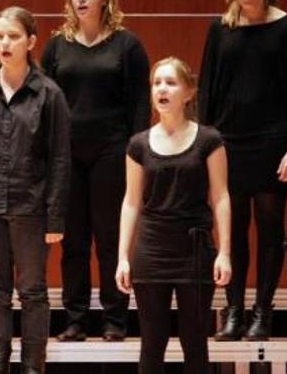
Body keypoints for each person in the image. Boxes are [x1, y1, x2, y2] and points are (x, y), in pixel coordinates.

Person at [198, 0, 287, 341]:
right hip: (227, 143)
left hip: (271, 143)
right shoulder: (220, 29)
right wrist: (203, 147)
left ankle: (263, 311)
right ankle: (233, 310)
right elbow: (208, 94)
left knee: (269, 230)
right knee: (231, 229)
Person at [0, 7, 70, 374]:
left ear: (31, 42)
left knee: (33, 292)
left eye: (13, 36)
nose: (5, 43)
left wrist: (55, 216)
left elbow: (59, 161)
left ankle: (34, 366)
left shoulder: (49, 94)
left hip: (32, 208)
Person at [42, 0, 150, 342]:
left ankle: (115, 318)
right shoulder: (57, 46)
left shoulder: (127, 44)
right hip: (67, 152)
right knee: (72, 239)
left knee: (109, 238)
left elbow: (139, 103)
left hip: (113, 150)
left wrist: (137, 154)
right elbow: (45, 102)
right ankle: (74, 317)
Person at [116, 57, 231, 374]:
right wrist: (123, 257)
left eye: (170, 83)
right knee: (152, 342)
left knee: (195, 341)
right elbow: (131, 202)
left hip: (194, 250)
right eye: (156, 83)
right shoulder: (138, 144)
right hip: (151, 251)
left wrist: (224, 253)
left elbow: (220, 196)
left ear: (189, 92)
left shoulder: (209, 140)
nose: (162, 89)